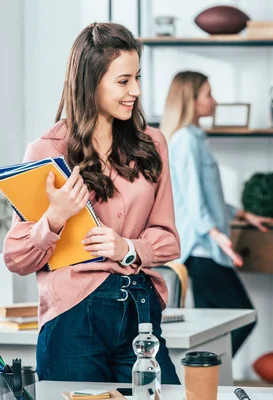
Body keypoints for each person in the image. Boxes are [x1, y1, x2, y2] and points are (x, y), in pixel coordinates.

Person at [2, 22, 181, 383]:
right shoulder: (47, 151)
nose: (136, 90)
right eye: (123, 81)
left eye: (137, 78)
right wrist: (54, 218)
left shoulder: (153, 143)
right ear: (91, 80)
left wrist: (127, 247)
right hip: (73, 321)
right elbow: (16, 258)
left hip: (140, 314)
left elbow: (168, 239)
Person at [160, 71, 273, 356]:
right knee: (242, 318)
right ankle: (200, 378)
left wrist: (244, 215)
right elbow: (193, 199)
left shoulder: (195, 139)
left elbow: (208, 198)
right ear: (191, 99)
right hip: (201, 250)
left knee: (212, 329)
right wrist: (217, 235)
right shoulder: (186, 140)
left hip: (208, 248)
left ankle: (203, 384)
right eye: (208, 94)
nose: (214, 100)